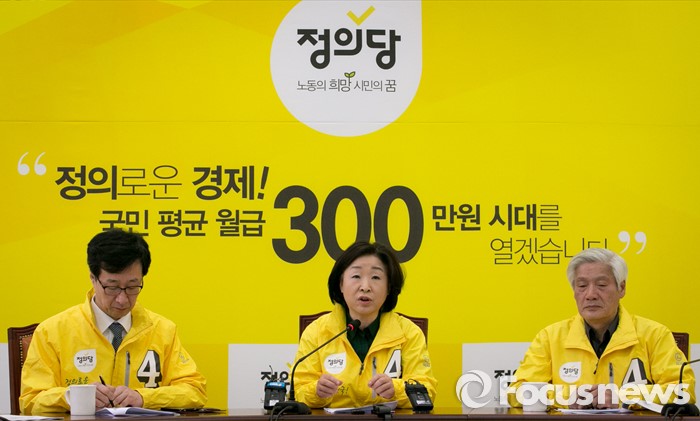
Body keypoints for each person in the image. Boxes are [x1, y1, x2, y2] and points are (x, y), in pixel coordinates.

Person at [20, 228, 207, 414]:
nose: (122, 300)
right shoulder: (52, 332)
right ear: (93, 278)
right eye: (112, 287)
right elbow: (30, 401)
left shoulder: (162, 330)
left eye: (132, 287)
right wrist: (73, 397)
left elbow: (194, 391)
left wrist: (143, 398)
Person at [508, 248, 695, 409]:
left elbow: (683, 391)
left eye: (601, 285)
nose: (590, 295)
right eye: (582, 286)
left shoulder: (654, 334)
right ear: (574, 291)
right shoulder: (550, 337)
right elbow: (516, 392)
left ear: (622, 288)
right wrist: (568, 397)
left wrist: (622, 397)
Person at [293, 241, 437, 408]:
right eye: (356, 276)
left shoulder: (409, 333)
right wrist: (317, 392)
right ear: (341, 284)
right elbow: (298, 391)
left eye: (376, 277)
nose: (365, 287)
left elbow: (427, 391)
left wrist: (396, 390)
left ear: (389, 287)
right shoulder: (317, 331)